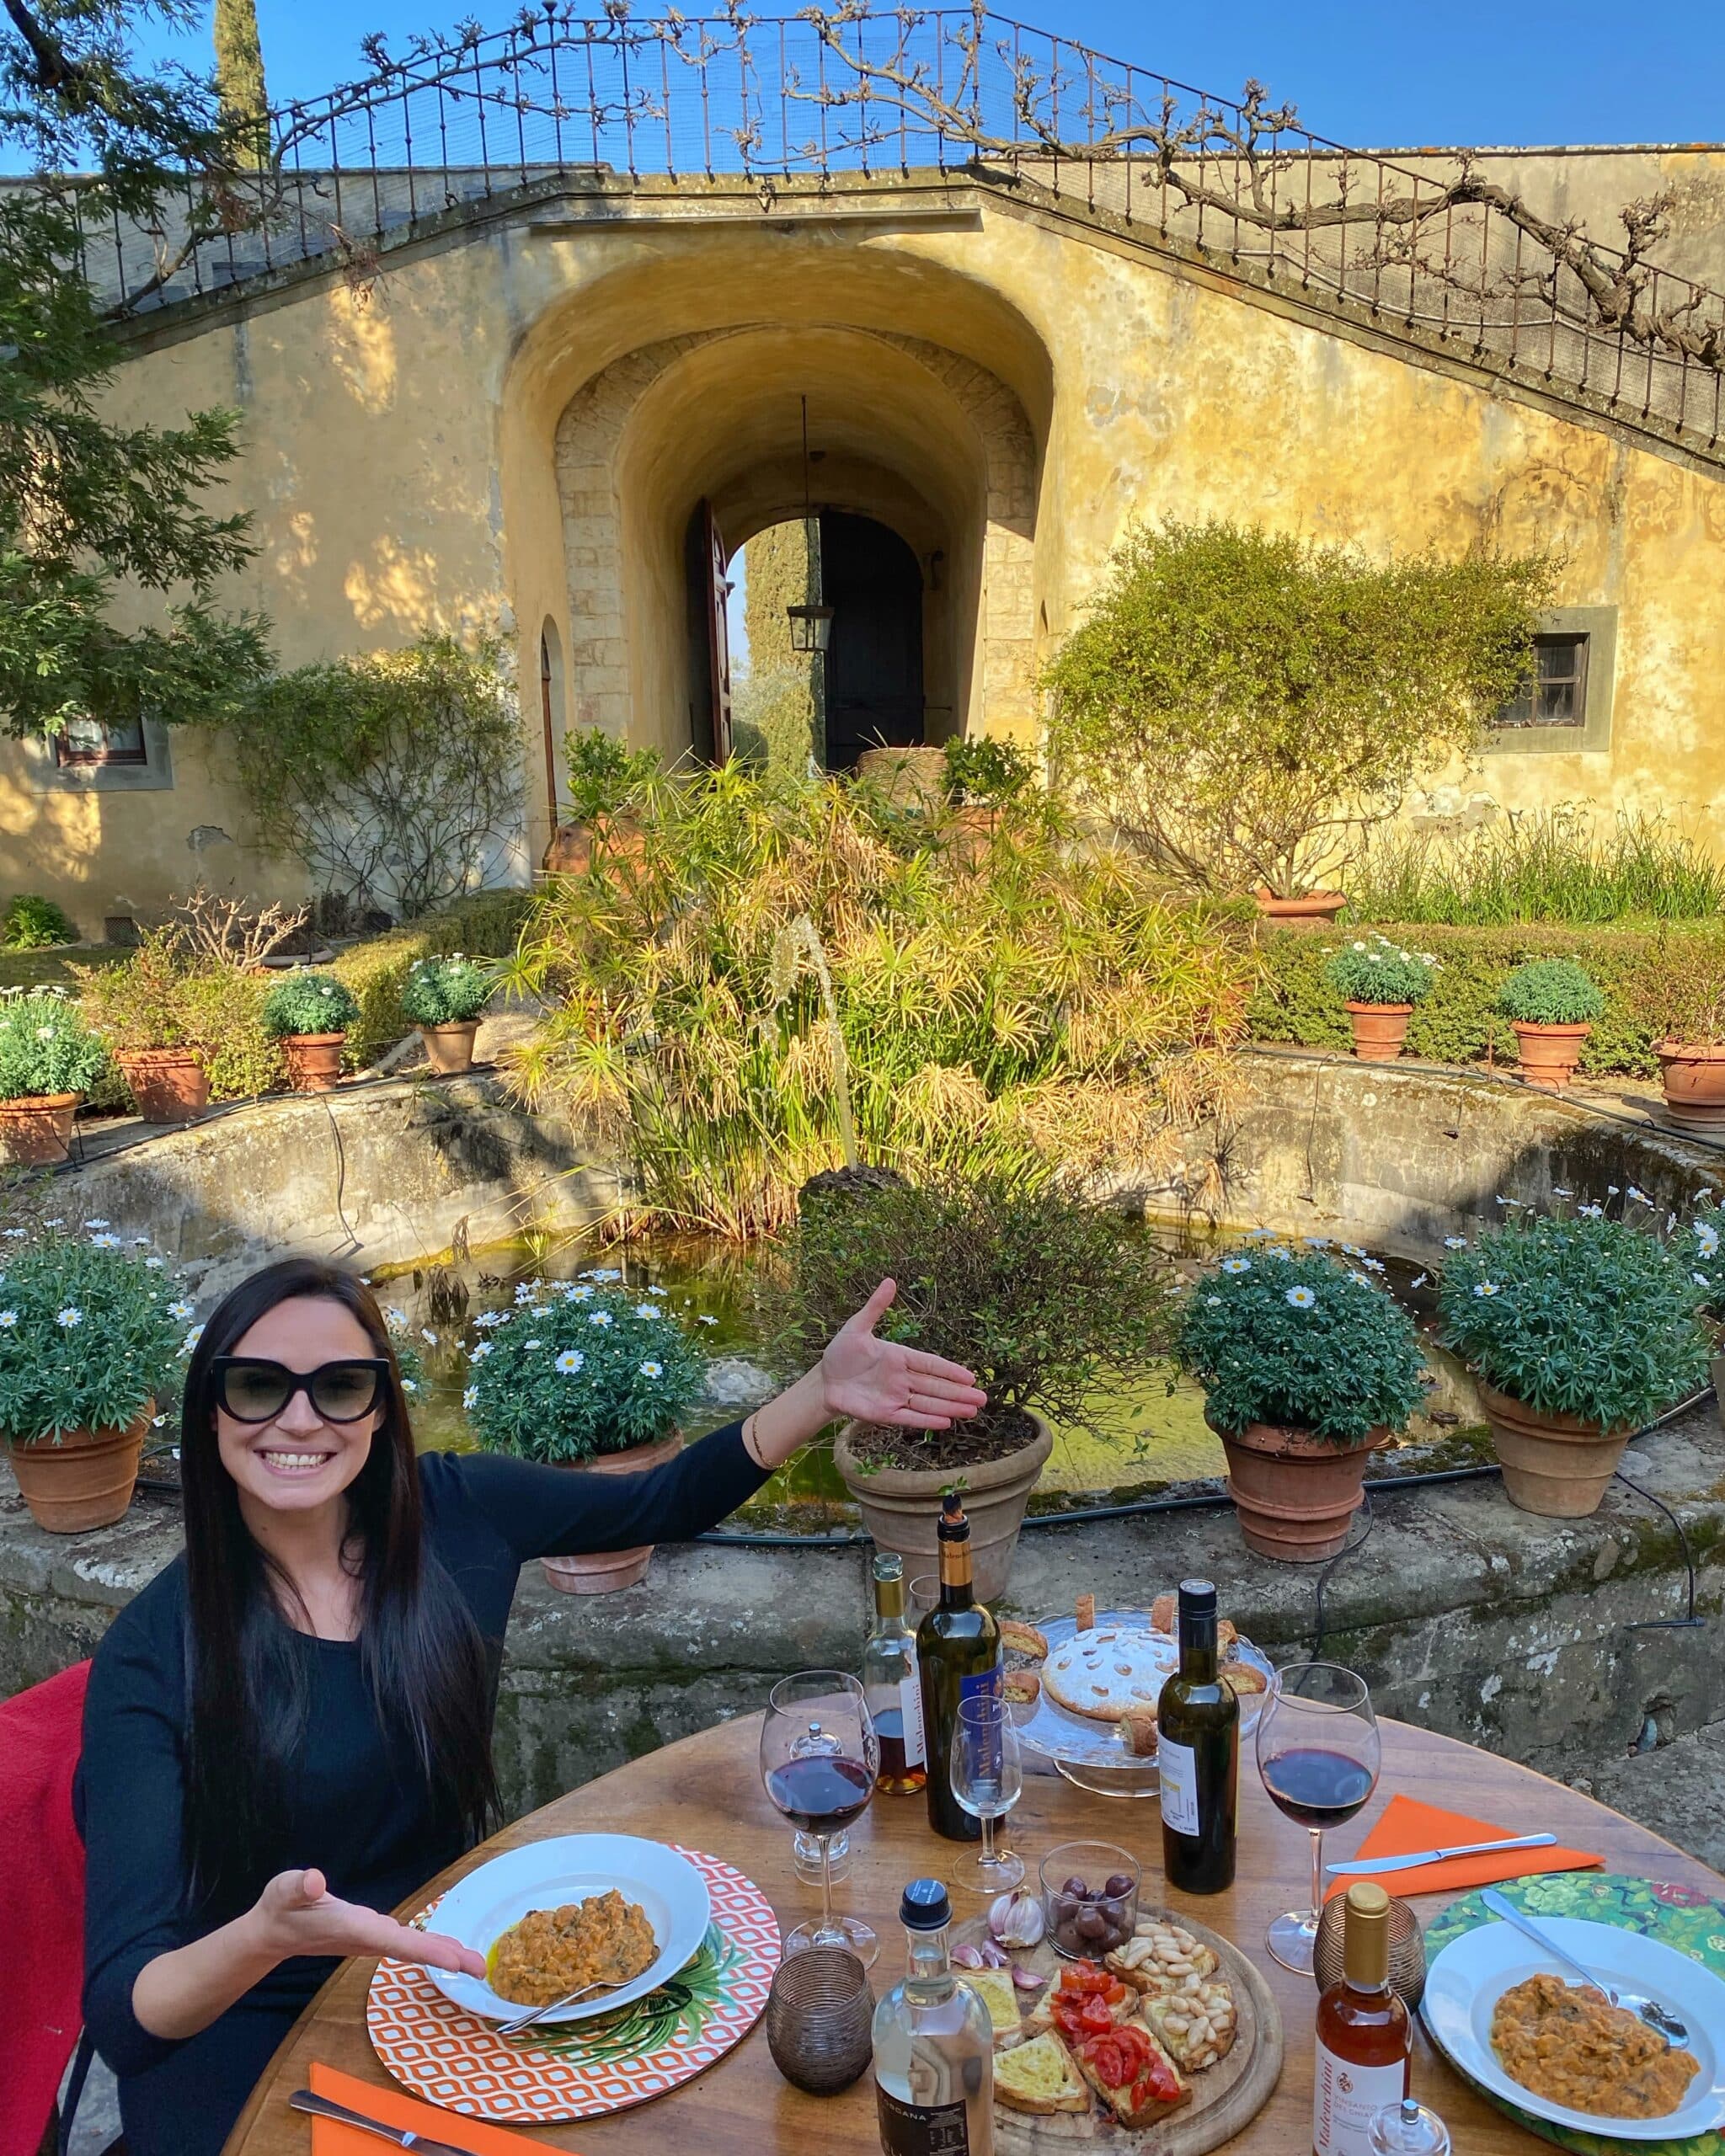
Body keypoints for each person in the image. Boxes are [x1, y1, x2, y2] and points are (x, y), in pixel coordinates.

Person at [78, 1256, 985, 2156]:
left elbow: (663, 1498)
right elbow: (127, 2013)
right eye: (258, 1385)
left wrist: (820, 1392)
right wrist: (266, 1936)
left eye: (341, 1385)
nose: (301, 1417)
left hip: (465, 1986)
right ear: (210, 1408)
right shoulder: (155, 1652)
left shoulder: (455, 1509)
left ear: (380, 1406)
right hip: (257, 2039)